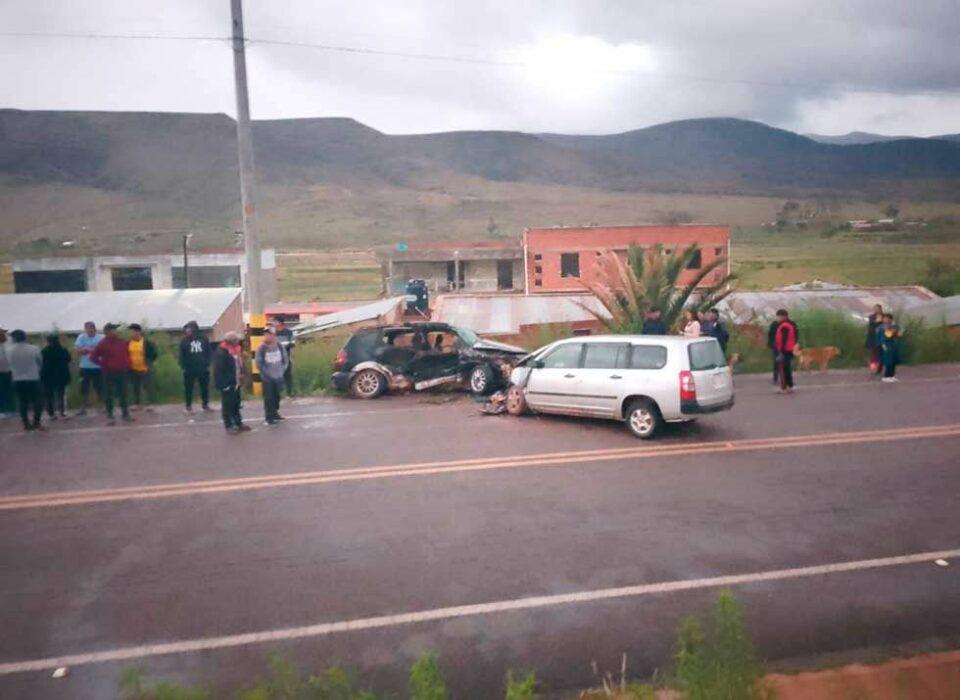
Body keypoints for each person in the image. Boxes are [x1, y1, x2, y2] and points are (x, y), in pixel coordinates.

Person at [90, 323, 133, 425]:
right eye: (114, 329)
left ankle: (125, 414)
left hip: (122, 372)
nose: (116, 331)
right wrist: (103, 364)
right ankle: (110, 415)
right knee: (108, 394)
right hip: (109, 372)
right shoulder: (103, 343)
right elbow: (93, 357)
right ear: (108, 332)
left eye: (116, 329)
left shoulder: (121, 342)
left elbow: (126, 355)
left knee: (123, 393)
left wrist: (127, 366)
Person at [213, 331, 250, 433]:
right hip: (227, 383)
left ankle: (238, 423)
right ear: (231, 341)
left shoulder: (235, 349)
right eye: (236, 340)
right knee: (227, 405)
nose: (238, 341)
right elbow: (218, 370)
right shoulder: (221, 352)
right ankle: (228, 425)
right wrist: (223, 385)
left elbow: (238, 363)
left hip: (236, 381)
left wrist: (242, 372)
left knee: (236, 403)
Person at [7, 330, 43, 431]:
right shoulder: (34, 348)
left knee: (22, 402)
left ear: (14, 338)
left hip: (17, 378)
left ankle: (26, 423)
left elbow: (8, 364)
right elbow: (40, 362)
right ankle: (36, 421)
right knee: (37, 400)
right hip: (33, 377)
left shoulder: (9, 350)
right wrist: (37, 371)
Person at [255, 328, 289, 426]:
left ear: (274, 336)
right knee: (269, 398)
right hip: (268, 378)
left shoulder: (279, 345)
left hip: (279, 376)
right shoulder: (262, 348)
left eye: (270, 334)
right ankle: (269, 417)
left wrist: (282, 369)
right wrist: (267, 374)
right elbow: (259, 364)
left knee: (277, 396)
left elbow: (285, 358)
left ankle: (275, 413)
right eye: (266, 334)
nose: (267, 336)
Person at [178, 321, 212, 413]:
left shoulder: (204, 339)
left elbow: (208, 351)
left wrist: (208, 363)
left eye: (189, 328)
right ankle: (188, 406)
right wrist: (183, 365)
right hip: (189, 369)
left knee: (204, 387)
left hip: (202, 368)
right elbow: (182, 354)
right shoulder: (184, 341)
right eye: (186, 329)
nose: (187, 331)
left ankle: (205, 405)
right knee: (188, 388)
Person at [74, 321, 103, 415]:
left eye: (91, 328)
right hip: (85, 366)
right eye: (87, 328)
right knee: (84, 388)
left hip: (97, 366)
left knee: (99, 387)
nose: (89, 330)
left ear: (94, 328)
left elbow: (102, 350)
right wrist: (87, 350)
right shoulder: (81, 337)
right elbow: (78, 350)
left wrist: (88, 350)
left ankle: (100, 407)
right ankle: (83, 408)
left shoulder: (101, 338)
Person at [127, 323, 158, 410]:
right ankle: (136, 403)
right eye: (130, 332)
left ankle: (150, 403)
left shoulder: (146, 343)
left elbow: (154, 354)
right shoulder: (128, 343)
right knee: (135, 387)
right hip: (133, 369)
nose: (131, 334)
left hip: (145, 368)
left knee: (147, 386)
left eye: (132, 332)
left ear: (138, 332)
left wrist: (149, 363)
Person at [40, 334, 71, 420]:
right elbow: (69, 359)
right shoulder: (63, 350)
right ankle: (62, 412)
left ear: (48, 341)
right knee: (61, 395)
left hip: (48, 377)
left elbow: (40, 363)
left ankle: (51, 413)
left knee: (49, 396)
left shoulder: (44, 351)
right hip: (62, 376)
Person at [771, 309, 799, 393]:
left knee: (783, 369)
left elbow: (784, 340)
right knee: (787, 368)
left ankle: (784, 388)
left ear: (783, 316)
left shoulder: (784, 326)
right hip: (788, 350)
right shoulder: (789, 325)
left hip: (784, 350)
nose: (777, 318)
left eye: (778, 316)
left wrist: (781, 352)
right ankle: (790, 385)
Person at [274, 318, 296, 397]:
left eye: (275, 321)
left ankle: (289, 393)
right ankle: (278, 393)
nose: (274, 323)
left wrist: (283, 346)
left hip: (286, 357)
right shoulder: (273, 333)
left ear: (280, 323)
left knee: (288, 375)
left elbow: (293, 343)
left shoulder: (289, 332)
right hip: (275, 358)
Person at [878, 313, 901, 383]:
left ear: (891, 319)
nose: (886, 320)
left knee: (893, 361)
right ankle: (886, 376)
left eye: (888, 318)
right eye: (885, 318)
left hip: (893, 345)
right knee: (888, 362)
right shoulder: (882, 327)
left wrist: (895, 331)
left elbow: (899, 334)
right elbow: (882, 338)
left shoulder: (894, 326)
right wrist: (883, 346)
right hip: (886, 345)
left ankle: (892, 376)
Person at [865, 304, 884, 374]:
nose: (876, 310)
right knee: (873, 352)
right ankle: (873, 367)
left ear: (880, 309)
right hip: (873, 337)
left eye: (877, 308)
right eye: (875, 308)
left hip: (881, 337)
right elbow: (873, 323)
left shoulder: (884, 317)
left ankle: (879, 368)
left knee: (880, 353)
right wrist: (878, 320)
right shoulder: (871, 317)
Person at [0, 327, 13, 417]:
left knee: (9, 391)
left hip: (9, 371)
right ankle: (2, 410)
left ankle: (10, 410)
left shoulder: (9, 342)